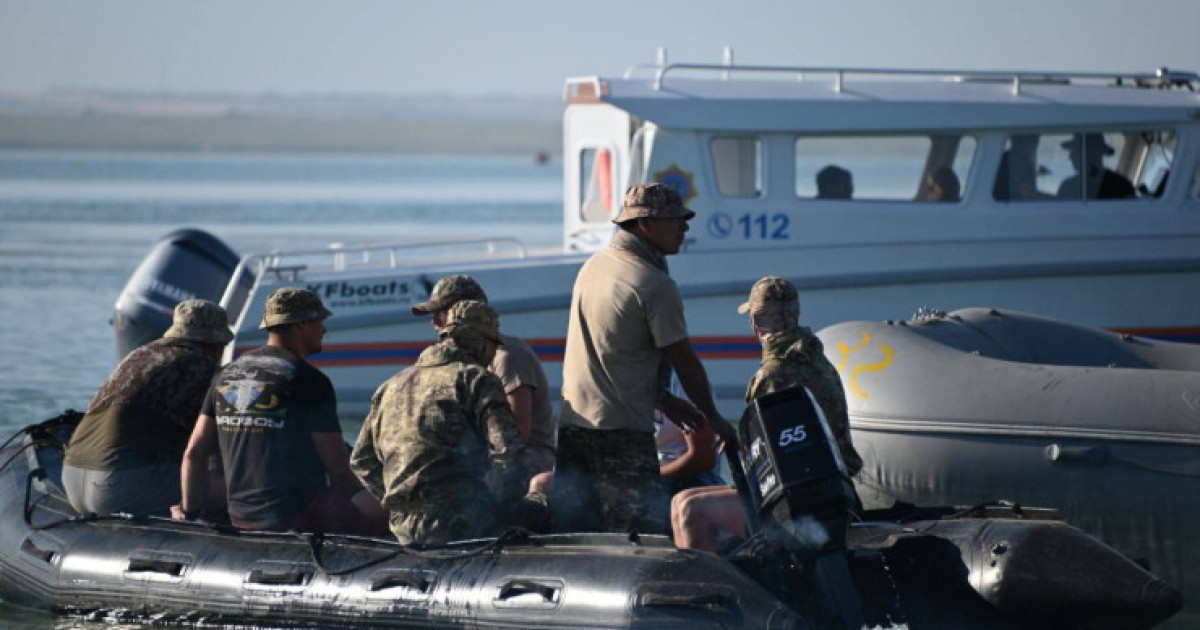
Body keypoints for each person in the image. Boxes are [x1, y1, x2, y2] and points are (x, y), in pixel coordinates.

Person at [555, 182, 735, 536]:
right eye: (674, 219)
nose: (684, 226)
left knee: (577, 533)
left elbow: (616, 348)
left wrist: (665, 400)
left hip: (575, 425)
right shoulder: (653, 284)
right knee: (637, 538)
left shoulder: (595, 265)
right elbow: (684, 361)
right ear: (644, 225)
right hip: (620, 433)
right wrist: (715, 419)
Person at [672, 277, 863, 553]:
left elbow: (773, 461)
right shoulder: (822, 364)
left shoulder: (771, 374)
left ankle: (710, 592)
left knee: (688, 507)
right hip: (836, 492)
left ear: (755, 322)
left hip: (796, 507)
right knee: (687, 500)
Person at [176, 288, 384, 534]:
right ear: (301, 325)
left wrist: (189, 515)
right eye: (320, 322)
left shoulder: (225, 375)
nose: (324, 330)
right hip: (295, 517)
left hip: (240, 515)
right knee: (385, 510)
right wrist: (370, 501)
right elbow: (338, 467)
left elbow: (193, 454)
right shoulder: (309, 380)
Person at [351, 300, 532, 545]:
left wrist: (398, 501)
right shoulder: (477, 380)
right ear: (480, 344)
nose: (493, 355)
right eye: (493, 346)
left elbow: (361, 460)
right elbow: (508, 453)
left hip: (403, 529)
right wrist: (504, 506)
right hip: (465, 523)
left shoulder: (392, 385)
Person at [62, 300, 233, 516]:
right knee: (231, 488)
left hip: (72, 480)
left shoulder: (137, 356)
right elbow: (213, 446)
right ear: (214, 344)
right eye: (222, 346)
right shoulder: (201, 368)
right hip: (119, 487)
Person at [411, 275, 556, 478]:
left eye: (441, 312)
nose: (434, 322)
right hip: (481, 455)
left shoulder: (508, 356)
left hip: (526, 459)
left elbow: (517, 435)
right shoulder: (458, 360)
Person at [1056, 133, 1135, 200]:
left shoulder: (1121, 187)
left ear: (1093, 153)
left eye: (1076, 151)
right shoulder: (1067, 187)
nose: (1071, 156)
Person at [993, 134, 1051, 201]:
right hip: (1011, 208)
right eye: (1034, 140)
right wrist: (1058, 200)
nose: (1036, 144)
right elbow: (1028, 194)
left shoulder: (1001, 159)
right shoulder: (1021, 161)